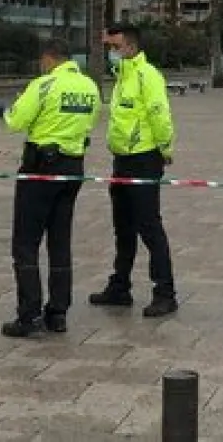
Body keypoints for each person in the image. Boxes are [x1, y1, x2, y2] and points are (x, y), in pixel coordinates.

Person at [1, 38, 100, 337]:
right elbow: (91, 122)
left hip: (40, 169)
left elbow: (15, 122)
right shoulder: (89, 86)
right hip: (72, 167)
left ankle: (28, 315)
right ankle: (58, 313)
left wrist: (15, 106)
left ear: (48, 58)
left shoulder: (44, 85)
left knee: (26, 244)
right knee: (60, 242)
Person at [89, 24, 178, 317]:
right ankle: (120, 287)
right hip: (122, 160)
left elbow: (159, 114)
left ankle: (165, 293)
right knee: (123, 226)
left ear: (129, 47)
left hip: (144, 159)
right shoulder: (122, 76)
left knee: (149, 226)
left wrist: (165, 150)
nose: (110, 53)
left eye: (114, 47)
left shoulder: (146, 76)